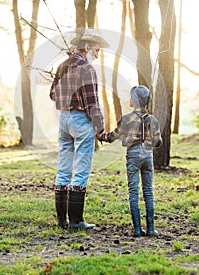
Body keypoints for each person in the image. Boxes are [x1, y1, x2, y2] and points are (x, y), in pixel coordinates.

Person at [50, 34, 109, 230]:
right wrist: (99, 128)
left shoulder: (62, 66)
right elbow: (92, 103)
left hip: (64, 119)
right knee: (81, 171)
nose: (98, 55)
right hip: (80, 120)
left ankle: (61, 221)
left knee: (63, 169)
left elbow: (52, 94)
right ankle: (76, 221)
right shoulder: (87, 69)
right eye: (97, 50)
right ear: (87, 47)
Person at [97, 85, 162, 237]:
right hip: (148, 155)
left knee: (134, 191)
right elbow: (158, 142)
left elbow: (112, 137)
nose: (130, 99)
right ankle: (151, 229)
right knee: (148, 191)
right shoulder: (152, 120)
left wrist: (100, 136)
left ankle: (138, 230)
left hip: (133, 155)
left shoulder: (126, 119)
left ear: (137, 100)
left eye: (132, 96)